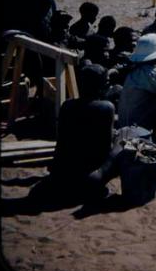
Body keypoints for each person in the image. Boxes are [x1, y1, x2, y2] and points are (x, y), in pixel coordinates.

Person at [29, 64, 115, 203]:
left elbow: (64, 141)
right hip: (86, 179)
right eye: (105, 83)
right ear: (100, 86)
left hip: (60, 175)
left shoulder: (67, 105)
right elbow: (106, 149)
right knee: (120, 148)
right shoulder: (106, 107)